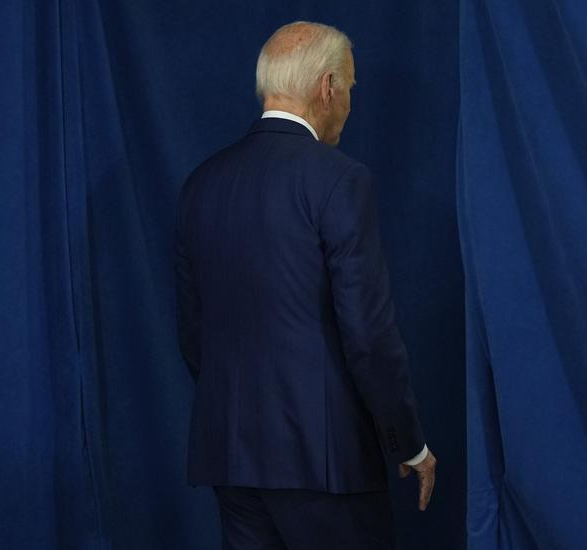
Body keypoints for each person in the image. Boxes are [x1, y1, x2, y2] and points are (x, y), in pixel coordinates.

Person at [175, 20, 436, 550]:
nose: (348, 103)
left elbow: (194, 333)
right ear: (329, 87)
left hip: (232, 456)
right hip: (325, 462)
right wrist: (408, 444)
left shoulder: (201, 184)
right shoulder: (340, 179)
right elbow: (368, 335)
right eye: (351, 88)